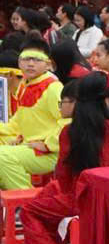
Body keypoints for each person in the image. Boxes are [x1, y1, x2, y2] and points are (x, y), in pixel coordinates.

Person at [4, 73, 109, 244]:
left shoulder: (70, 131)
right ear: (107, 100)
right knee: (49, 192)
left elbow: (63, 175)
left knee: (30, 210)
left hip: (81, 198)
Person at [0, 38, 65, 190]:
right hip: (28, 144)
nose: (30, 64)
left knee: (2, 156)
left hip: (50, 152)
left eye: (37, 59)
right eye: (26, 59)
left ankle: (26, 198)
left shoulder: (54, 87)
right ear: (19, 62)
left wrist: (48, 144)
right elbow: (18, 120)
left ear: (48, 64)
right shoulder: (24, 84)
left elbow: (67, 121)